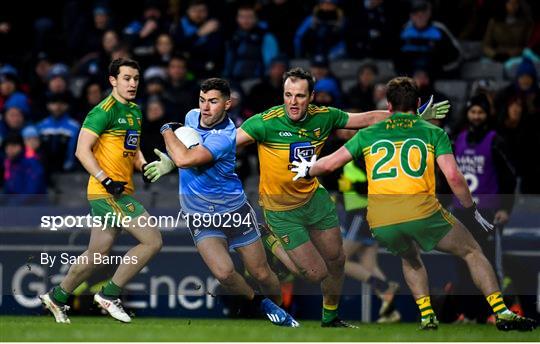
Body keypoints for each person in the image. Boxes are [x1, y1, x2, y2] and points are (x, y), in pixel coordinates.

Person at [291, 76, 537, 331]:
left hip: (381, 220)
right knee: (472, 251)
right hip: (421, 211)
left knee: (409, 257)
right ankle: (501, 311)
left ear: (388, 106)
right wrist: (471, 210)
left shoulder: (368, 134)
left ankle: (427, 316)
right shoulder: (433, 131)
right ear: (418, 103)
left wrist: (306, 170)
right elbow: (454, 177)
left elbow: (330, 164)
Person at [235, 68, 449, 327]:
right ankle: (268, 238)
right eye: (288, 95)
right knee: (315, 274)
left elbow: (368, 118)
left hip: (315, 199)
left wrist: (410, 117)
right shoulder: (263, 122)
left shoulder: (325, 117)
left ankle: (331, 318)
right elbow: (227, 144)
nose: (293, 102)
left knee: (338, 260)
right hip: (280, 209)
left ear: (311, 96)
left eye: (300, 96)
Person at [143, 78, 299, 327]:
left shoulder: (226, 136)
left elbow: (185, 158)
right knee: (225, 273)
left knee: (261, 273)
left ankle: (281, 310)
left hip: (233, 210)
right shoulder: (192, 117)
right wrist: (169, 163)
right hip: (199, 213)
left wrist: (165, 130)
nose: (205, 107)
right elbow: (184, 152)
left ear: (227, 104)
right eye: (202, 100)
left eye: (213, 102)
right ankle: (266, 306)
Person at [40, 58, 163, 324]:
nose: (132, 83)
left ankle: (58, 296)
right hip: (107, 191)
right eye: (127, 78)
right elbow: (81, 150)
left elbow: (133, 147)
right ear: (113, 80)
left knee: (97, 253)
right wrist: (105, 179)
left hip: (120, 189)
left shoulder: (135, 111)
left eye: (136, 79)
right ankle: (110, 295)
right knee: (152, 241)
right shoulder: (102, 111)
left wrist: (142, 166)